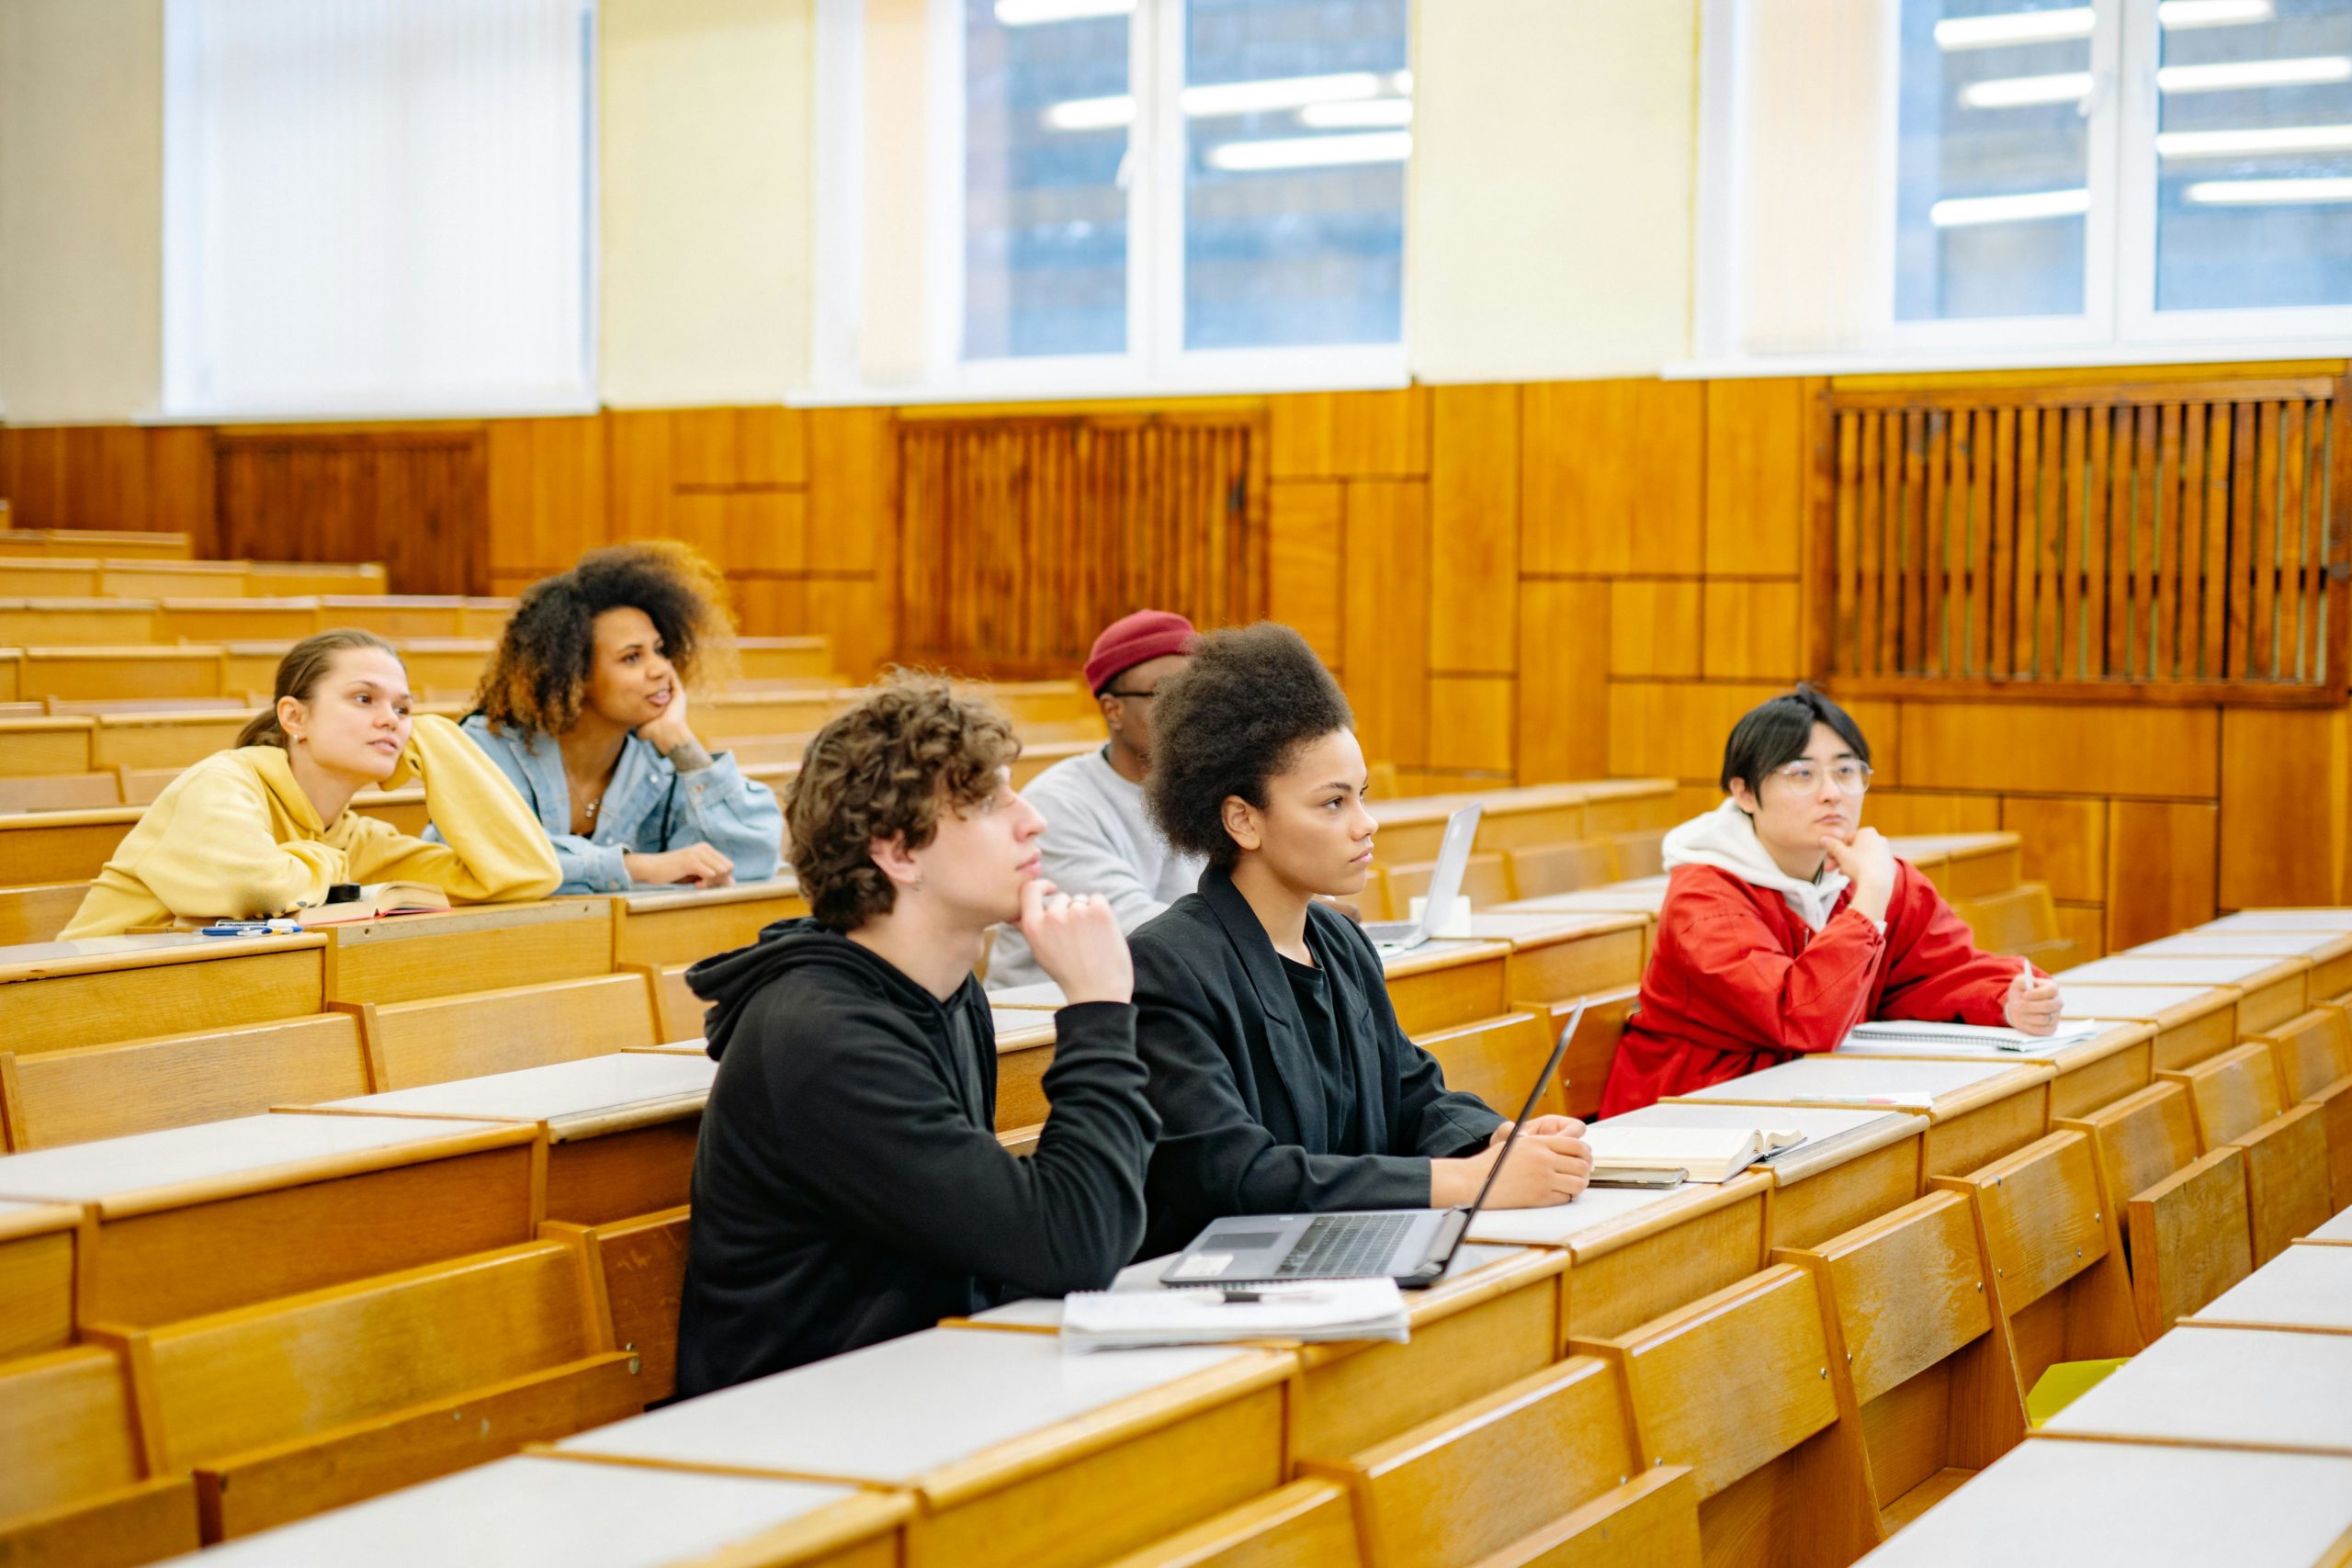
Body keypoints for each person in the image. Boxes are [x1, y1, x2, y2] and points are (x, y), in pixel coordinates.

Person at [673, 676, 1159, 1391]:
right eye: (988, 803)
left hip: (917, 1379)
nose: (1034, 821)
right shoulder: (824, 1039)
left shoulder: (949, 991)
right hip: (797, 1418)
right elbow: (1073, 1244)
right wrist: (1098, 1008)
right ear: (899, 852)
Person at [1125, 623, 1594, 1259]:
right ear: (1243, 819)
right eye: (1333, 803)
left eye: (1362, 796)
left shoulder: (1340, 940)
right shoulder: (1167, 964)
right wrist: (1469, 1181)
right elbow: (1238, 1176)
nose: (1365, 824)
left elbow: (1411, 1094)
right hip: (1220, 1282)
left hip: (1342, 1256)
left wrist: (1499, 1142)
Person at [1598, 685, 2064, 1116]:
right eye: (1802, 774)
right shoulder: (1706, 898)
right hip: (1694, 1112)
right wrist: (1870, 897)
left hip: (1800, 1099)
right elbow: (1800, 1017)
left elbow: (1935, 975)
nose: (1832, 794)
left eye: (1846, 771)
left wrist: (2007, 998)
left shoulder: (1873, 878)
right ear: (1745, 792)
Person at [62, 630, 560, 940]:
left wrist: (436, 739)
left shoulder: (353, 837)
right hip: (77, 998)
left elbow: (526, 874)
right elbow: (254, 888)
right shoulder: (224, 783)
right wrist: (337, 865)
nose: (391, 720)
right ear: (295, 717)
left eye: (403, 708)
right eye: (364, 699)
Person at [445, 542, 782, 894]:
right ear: (574, 675)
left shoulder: (660, 760)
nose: (661, 669)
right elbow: (491, 855)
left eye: (659, 650)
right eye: (632, 658)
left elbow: (753, 857)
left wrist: (681, 742)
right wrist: (638, 867)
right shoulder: (487, 748)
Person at [986, 608, 1207, 990]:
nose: (1188, 712)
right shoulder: (1057, 803)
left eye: (1197, 694)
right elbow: (1139, 931)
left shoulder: (1212, 787)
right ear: (1113, 710)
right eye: (1166, 695)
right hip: (1043, 1012)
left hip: (1171, 993)